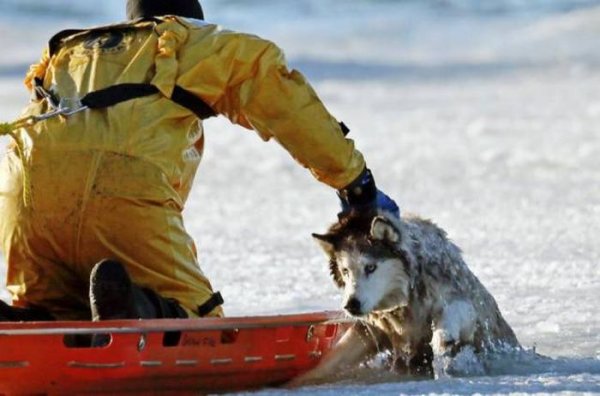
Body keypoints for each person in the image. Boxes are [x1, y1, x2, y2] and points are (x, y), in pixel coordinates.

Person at [0, 0, 399, 322]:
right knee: (197, 319)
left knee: (59, 308)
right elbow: (286, 105)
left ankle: (25, 319)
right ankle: (140, 311)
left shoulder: (69, 50)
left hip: (24, 201)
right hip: (122, 191)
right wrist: (354, 181)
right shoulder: (195, 41)